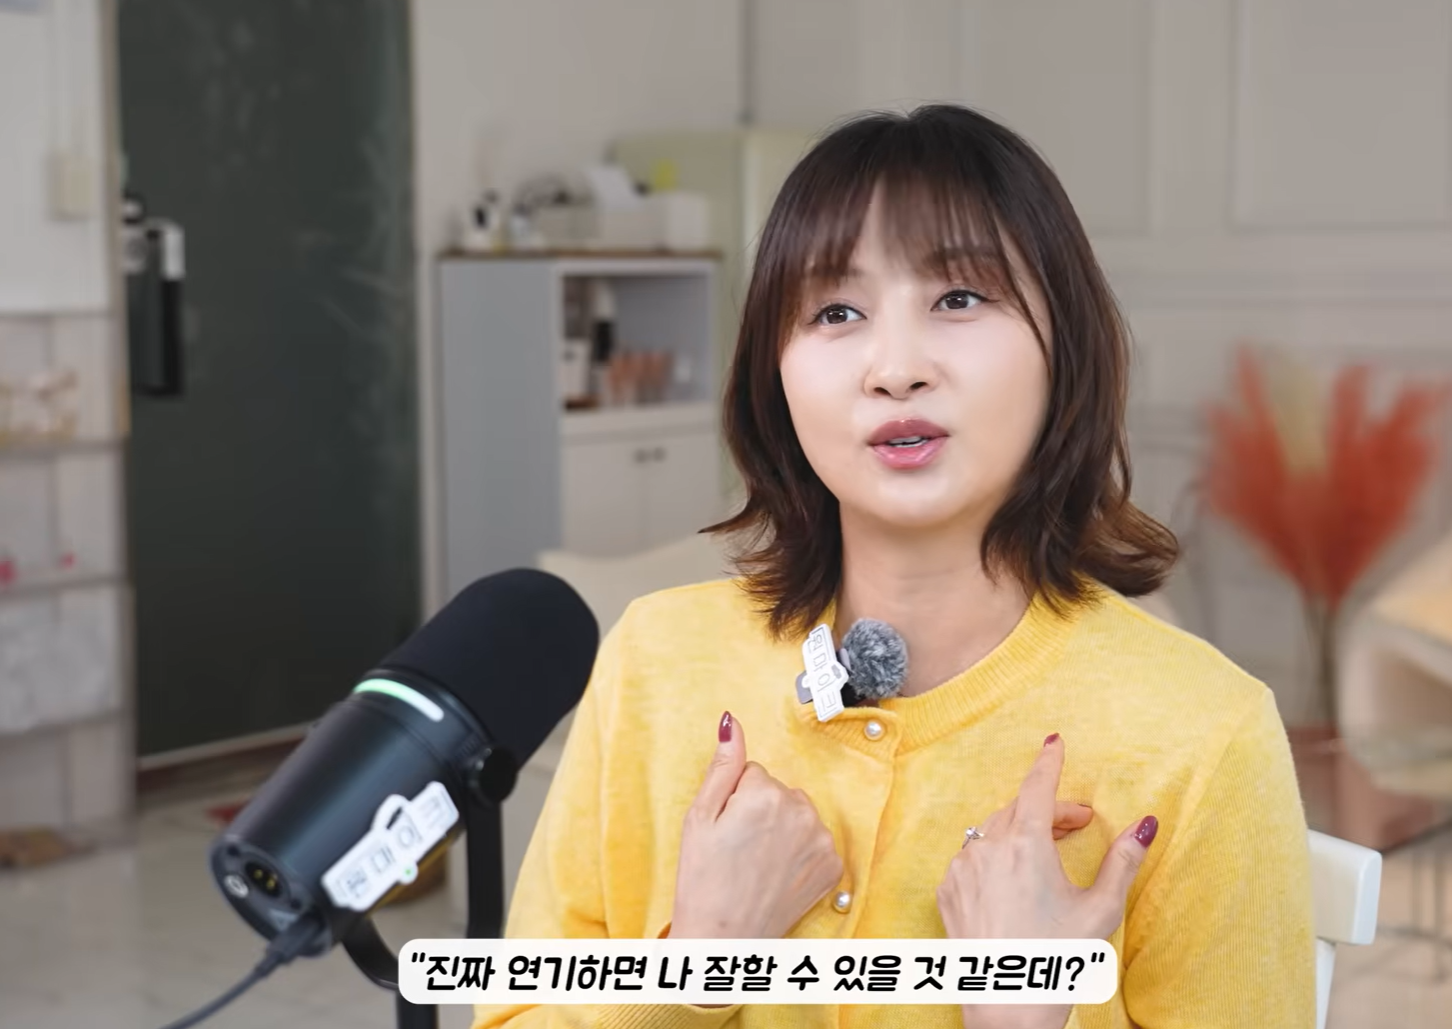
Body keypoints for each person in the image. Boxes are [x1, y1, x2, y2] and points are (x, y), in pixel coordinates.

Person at [473, 104, 1314, 1028]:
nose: (894, 368)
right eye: (835, 312)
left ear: (1062, 346)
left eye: (959, 298)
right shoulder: (656, 660)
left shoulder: (1201, 733)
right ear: (773, 375)